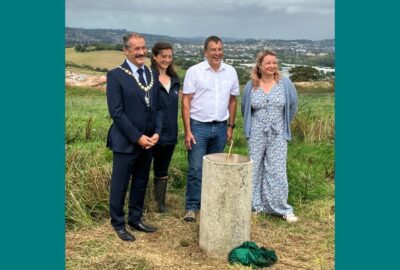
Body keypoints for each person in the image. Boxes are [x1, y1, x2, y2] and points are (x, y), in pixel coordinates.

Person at [106, 33, 163, 241]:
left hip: (148, 142)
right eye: (136, 48)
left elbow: (158, 108)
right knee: (120, 184)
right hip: (125, 142)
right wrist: (137, 137)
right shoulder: (115, 75)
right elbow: (116, 112)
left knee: (140, 181)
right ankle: (118, 223)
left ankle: (135, 219)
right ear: (126, 51)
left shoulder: (151, 73)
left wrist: (156, 132)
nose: (141, 52)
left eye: (143, 47)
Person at [182, 35, 240, 222]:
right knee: (196, 169)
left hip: (221, 127)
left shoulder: (230, 72)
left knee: (216, 169)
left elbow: (232, 100)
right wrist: (188, 130)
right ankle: (191, 207)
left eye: (220, 49)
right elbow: (186, 101)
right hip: (198, 126)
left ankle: (210, 204)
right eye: (213, 50)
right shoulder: (195, 71)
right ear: (205, 52)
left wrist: (230, 126)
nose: (217, 53)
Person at [241, 50, 299, 222]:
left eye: (274, 62)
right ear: (259, 65)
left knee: (277, 169)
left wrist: (282, 124)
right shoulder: (251, 85)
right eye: (268, 63)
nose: (272, 66)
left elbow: (293, 106)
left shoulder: (285, 83)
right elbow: (245, 108)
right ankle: (256, 206)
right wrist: (252, 128)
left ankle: (281, 208)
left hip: (278, 133)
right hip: (257, 132)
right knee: (255, 168)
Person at [150, 42, 180, 213]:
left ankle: (160, 205)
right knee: (142, 169)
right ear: (155, 56)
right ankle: (138, 203)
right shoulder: (149, 78)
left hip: (170, 133)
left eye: (170, 57)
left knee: (162, 169)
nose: (167, 60)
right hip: (151, 133)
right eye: (163, 56)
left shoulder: (175, 79)